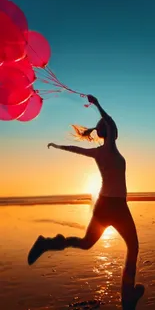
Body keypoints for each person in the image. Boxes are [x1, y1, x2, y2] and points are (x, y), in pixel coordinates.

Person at [28, 95, 144, 309]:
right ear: (109, 133)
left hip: (105, 206)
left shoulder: (100, 152)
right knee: (133, 247)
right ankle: (128, 297)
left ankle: (48, 243)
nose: (111, 124)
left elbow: (76, 149)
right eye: (109, 125)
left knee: (86, 243)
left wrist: (58, 146)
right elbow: (107, 122)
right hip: (116, 207)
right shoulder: (108, 148)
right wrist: (98, 104)